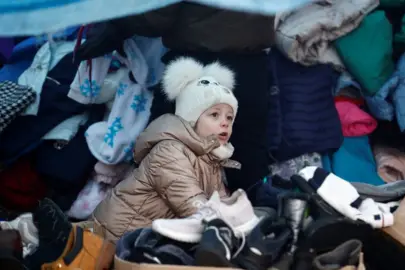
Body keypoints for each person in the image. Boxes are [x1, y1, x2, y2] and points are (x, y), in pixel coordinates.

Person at [76, 2, 273, 197]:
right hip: (252, 65)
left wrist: (115, 23)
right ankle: (253, 221)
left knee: (160, 163)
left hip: (197, 66)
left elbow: (156, 15)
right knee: (248, 168)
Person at [93, 57, 241, 242]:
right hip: (113, 236)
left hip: (142, 238)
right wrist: (227, 224)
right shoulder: (170, 151)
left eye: (229, 118)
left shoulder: (209, 160)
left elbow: (219, 202)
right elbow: (191, 203)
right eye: (214, 115)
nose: (224, 123)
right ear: (191, 118)